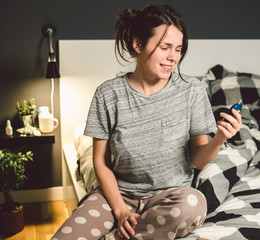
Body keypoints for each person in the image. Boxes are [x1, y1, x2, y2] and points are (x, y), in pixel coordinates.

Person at [52, 4, 241, 240]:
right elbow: (100, 162)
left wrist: (220, 139)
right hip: (117, 196)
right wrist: (120, 210)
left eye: (179, 49)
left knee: (193, 204)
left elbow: (197, 160)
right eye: (165, 47)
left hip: (170, 197)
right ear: (138, 44)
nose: (173, 57)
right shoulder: (108, 94)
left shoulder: (191, 90)